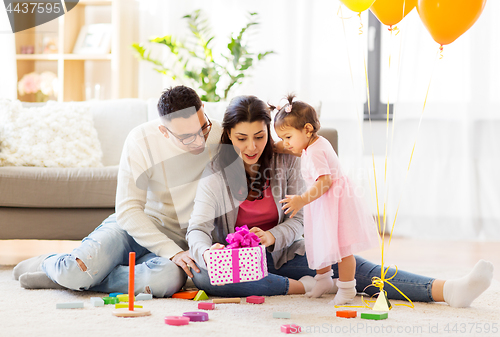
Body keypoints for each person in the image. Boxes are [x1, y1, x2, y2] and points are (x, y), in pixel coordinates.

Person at [186, 94, 494, 308]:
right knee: (206, 276)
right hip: (238, 261)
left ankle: (448, 289)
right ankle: (299, 286)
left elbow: (299, 220)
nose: (252, 146)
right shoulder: (216, 175)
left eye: (259, 136)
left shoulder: (287, 160)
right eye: (242, 138)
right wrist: (208, 249)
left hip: (286, 254)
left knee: (357, 268)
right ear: (228, 135)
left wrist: (272, 236)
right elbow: (197, 230)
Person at [12, 85, 222, 297]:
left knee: (167, 280)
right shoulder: (141, 140)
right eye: (186, 137)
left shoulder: (222, 135)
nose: (200, 141)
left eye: (203, 128)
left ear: (203, 109)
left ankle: (75, 279)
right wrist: (172, 252)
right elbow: (128, 210)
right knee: (78, 271)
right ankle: (54, 266)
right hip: (136, 229)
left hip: (180, 240)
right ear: (164, 131)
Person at [274, 94, 379, 305]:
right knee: (319, 241)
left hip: (335, 202)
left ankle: (347, 288)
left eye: (288, 137)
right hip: (323, 203)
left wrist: (301, 200)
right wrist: (274, 146)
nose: (286, 144)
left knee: (342, 248)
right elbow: (290, 149)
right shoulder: (310, 145)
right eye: (283, 138)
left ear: (307, 130)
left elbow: (325, 181)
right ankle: (323, 280)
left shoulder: (315, 152)